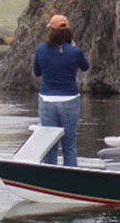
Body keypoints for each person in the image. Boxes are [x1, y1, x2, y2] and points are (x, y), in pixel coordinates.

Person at [33, 14, 89, 167]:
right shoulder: (75, 51)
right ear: (69, 32)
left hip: (47, 100)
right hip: (69, 100)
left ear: (50, 31)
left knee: (50, 144)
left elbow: (37, 72)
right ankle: (71, 179)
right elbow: (85, 67)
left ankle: (50, 180)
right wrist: (73, 48)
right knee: (69, 145)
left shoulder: (41, 49)